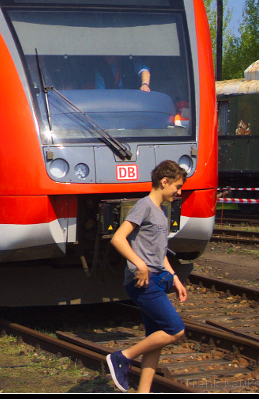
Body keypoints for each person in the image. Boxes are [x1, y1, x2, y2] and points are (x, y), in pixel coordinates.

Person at [107, 161, 188, 393]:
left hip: (157, 280)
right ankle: (122, 357)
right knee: (175, 329)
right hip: (142, 281)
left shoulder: (162, 212)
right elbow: (118, 238)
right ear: (165, 182)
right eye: (178, 186)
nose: (179, 192)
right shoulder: (144, 206)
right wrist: (139, 263)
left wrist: (175, 278)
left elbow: (159, 253)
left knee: (155, 340)